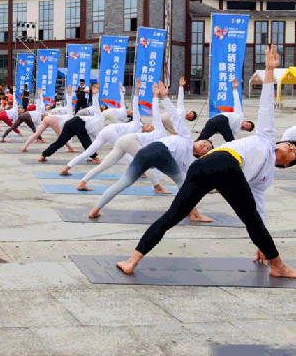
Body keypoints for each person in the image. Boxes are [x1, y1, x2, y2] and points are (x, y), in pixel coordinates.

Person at [116, 44, 296, 279]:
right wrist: (270, 72)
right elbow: (266, 109)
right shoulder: (266, 136)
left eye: (293, 153)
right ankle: (132, 260)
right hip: (209, 164)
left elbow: (258, 209)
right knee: (173, 215)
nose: (290, 147)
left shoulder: (266, 177)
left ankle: (276, 263)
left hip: (227, 172)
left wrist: (261, 241)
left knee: (251, 217)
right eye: (290, 144)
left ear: (286, 165)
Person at [88, 82, 213, 219]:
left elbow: (190, 180)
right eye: (205, 142)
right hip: (150, 152)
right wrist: (163, 98)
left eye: (207, 148)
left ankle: (193, 212)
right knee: (123, 183)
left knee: (182, 182)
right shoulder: (187, 137)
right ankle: (95, 209)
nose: (205, 145)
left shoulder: (188, 162)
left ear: (202, 155)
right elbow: (175, 117)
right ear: (198, 140)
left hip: (158, 157)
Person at [59, 80, 160, 181]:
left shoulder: (139, 136)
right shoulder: (137, 122)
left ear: (148, 132)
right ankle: (140, 171)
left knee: (89, 152)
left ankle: (66, 168)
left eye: (150, 127)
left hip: (107, 132)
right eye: (149, 124)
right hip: (110, 131)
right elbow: (135, 106)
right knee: (124, 151)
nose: (147, 125)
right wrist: (137, 90)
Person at [38, 83, 103, 163]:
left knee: (61, 141)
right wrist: (95, 95)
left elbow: (96, 107)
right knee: (84, 139)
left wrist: (95, 94)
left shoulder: (98, 121)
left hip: (70, 123)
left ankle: (44, 155)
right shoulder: (99, 119)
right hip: (78, 122)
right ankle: (94, 158)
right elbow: (96, 106)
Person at [21, 86, 78, 153]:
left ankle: (24, 147)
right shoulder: (70, 115)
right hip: (52, 120)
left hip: (49, 120)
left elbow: (39, 104)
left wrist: (39, 95)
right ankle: (70, 148)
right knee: (62, 136)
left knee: (36, 134)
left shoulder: (41, 113)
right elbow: (69, 104)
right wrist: (69, 94)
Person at [195, 78, 253, 142]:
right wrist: (235, 89)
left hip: (219, 127)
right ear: (245, 121)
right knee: (202, 137)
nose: (245, 126)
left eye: (246, 128)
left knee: (203, 139)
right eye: (247, 124)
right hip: (219, 119)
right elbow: (237, 102)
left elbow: (226, 132)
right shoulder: (240, 116)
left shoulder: (236, 131)